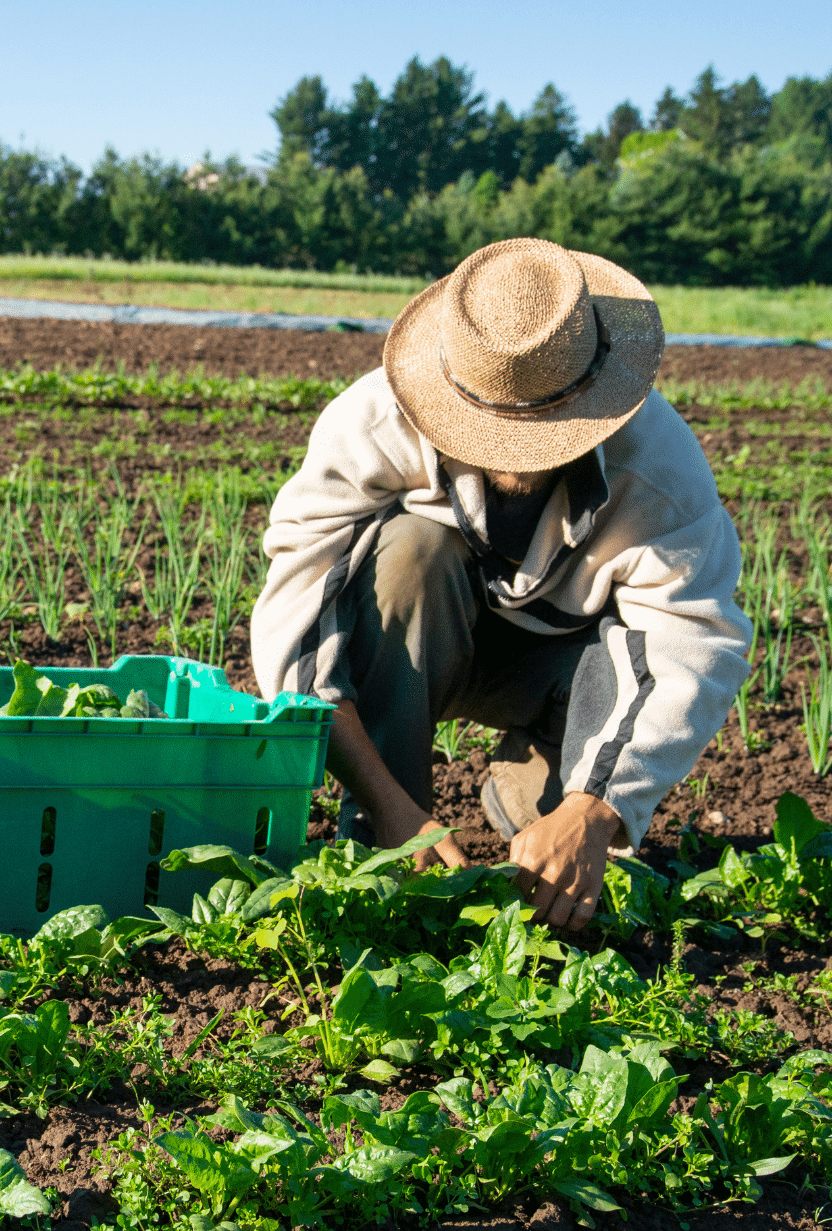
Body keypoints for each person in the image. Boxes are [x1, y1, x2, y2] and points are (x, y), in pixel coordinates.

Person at [250, 238, 751, 930]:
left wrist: (595, 811)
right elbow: (298, 625)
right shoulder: (372, 423)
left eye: (544, 431)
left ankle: (539, 788)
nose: (516, 457)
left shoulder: (658, 468)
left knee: (564, 875)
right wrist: (396, 813)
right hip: (425, 640)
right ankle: (382, 837)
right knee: (408, 553)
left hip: (559, 670)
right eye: (493, 432)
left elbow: (692, 643)